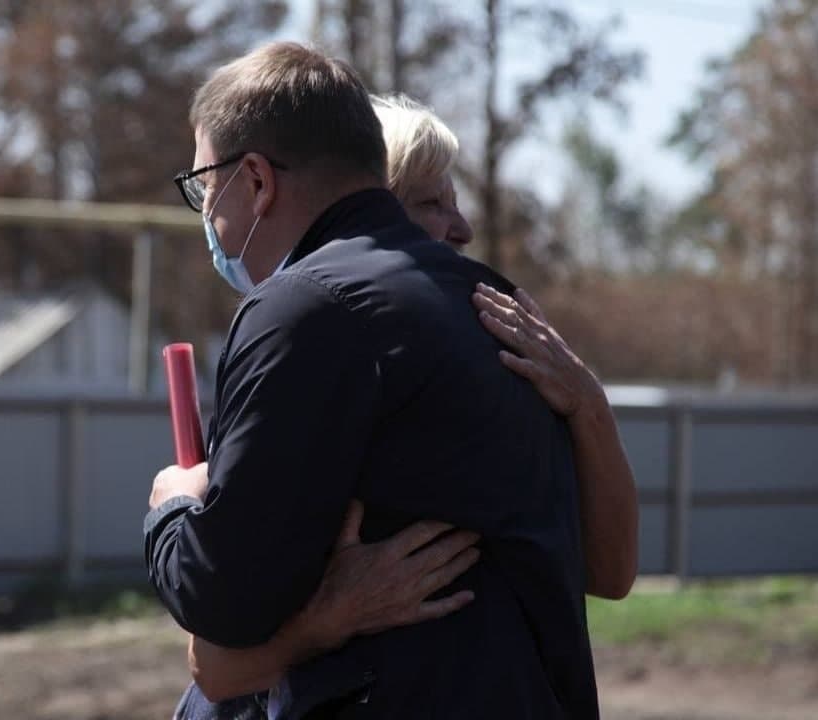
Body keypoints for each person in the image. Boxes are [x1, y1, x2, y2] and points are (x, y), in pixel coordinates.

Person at [145, 42, 613, 718]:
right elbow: (603, 568)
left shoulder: (304, 310)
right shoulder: (495, 302)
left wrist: (173, 508)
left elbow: (224, 612)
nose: (208, 217)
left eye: (203, 186)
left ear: (255, 179)